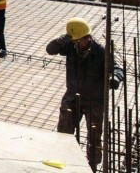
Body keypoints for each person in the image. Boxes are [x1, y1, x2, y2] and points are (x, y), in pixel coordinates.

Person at [46, 18, 125, 172]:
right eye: (74, 41)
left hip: (94, 100)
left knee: (94, 137)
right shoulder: (70, 45)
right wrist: (59, 41)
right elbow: (50, 50)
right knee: (64, 132)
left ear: (87, 38)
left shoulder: (100, 52)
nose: (76, 44)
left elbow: (117, 68)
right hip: (73, 96)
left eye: (78, 41)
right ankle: (63, 160)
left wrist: (115, 78)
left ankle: (92, 166)